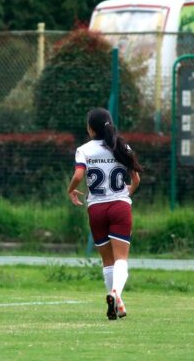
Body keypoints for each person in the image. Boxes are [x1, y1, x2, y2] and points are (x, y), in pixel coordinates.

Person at [66, 108, 142, 320]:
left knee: (107, 261)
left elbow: (79, 174)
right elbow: (136, 180)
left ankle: (116, 304)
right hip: (119, 206)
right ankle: (116, 293)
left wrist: (71, 189)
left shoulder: (84, 149)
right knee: (121, 259)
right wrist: (127, 192)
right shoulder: (121, 145)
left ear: (90, 129)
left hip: (96, 209)